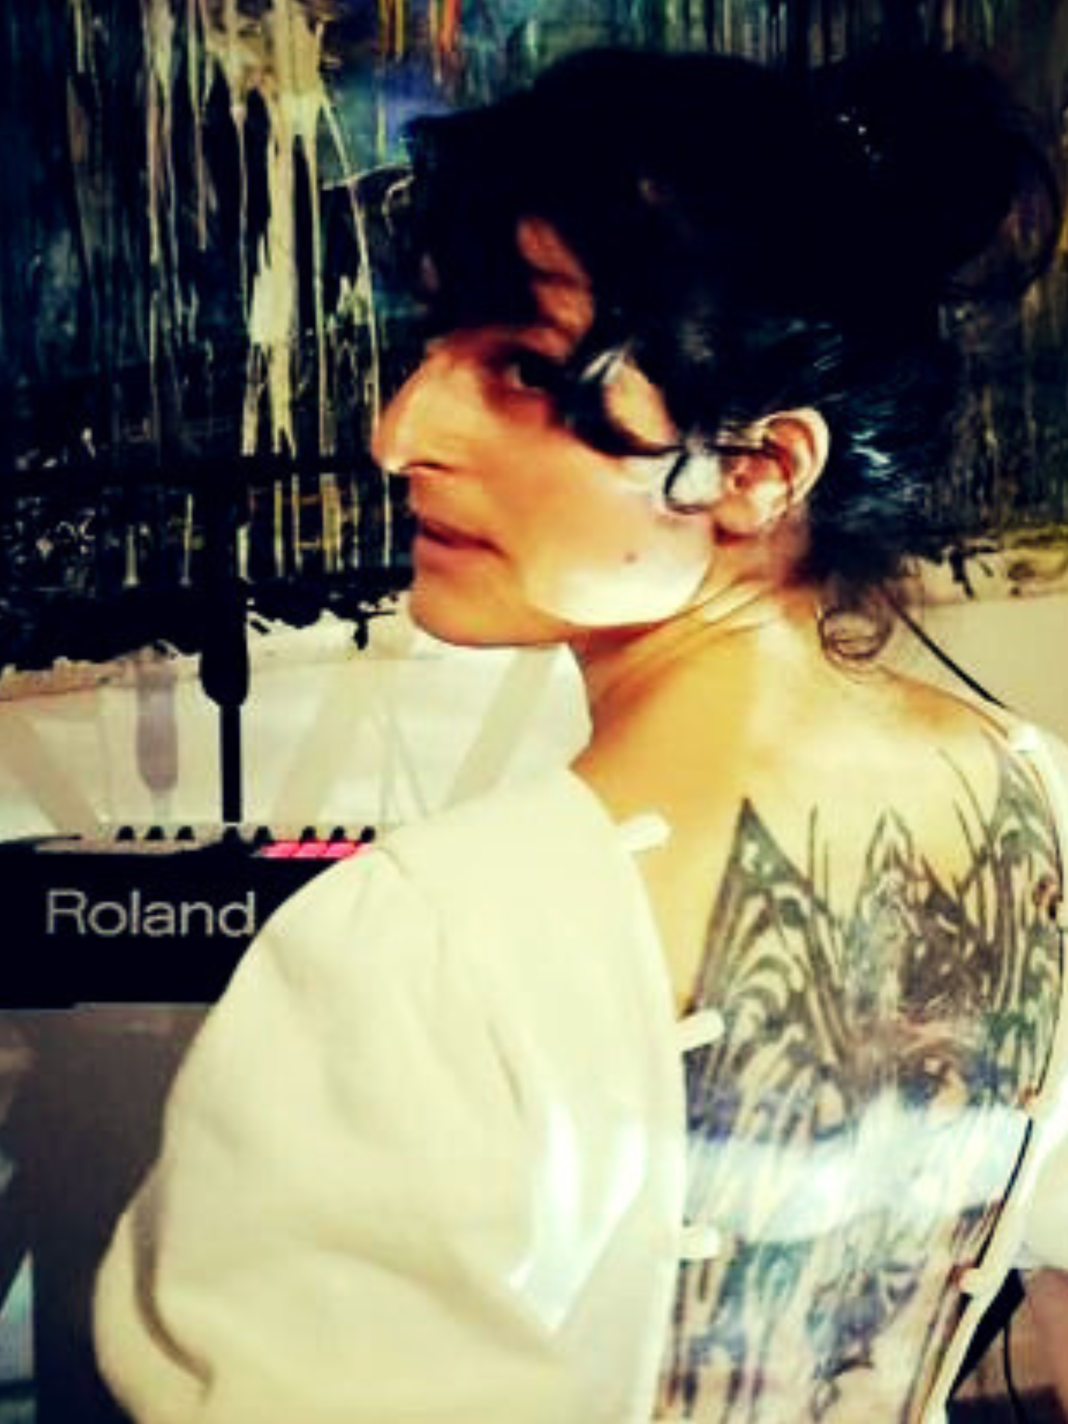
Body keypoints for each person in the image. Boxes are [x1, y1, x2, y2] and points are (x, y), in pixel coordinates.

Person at [92, 45, 1068, 1423]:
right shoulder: (1040, 798)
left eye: (524, 370)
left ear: (760, 468)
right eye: (434, 346)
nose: (400, 433)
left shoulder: (432, 945)